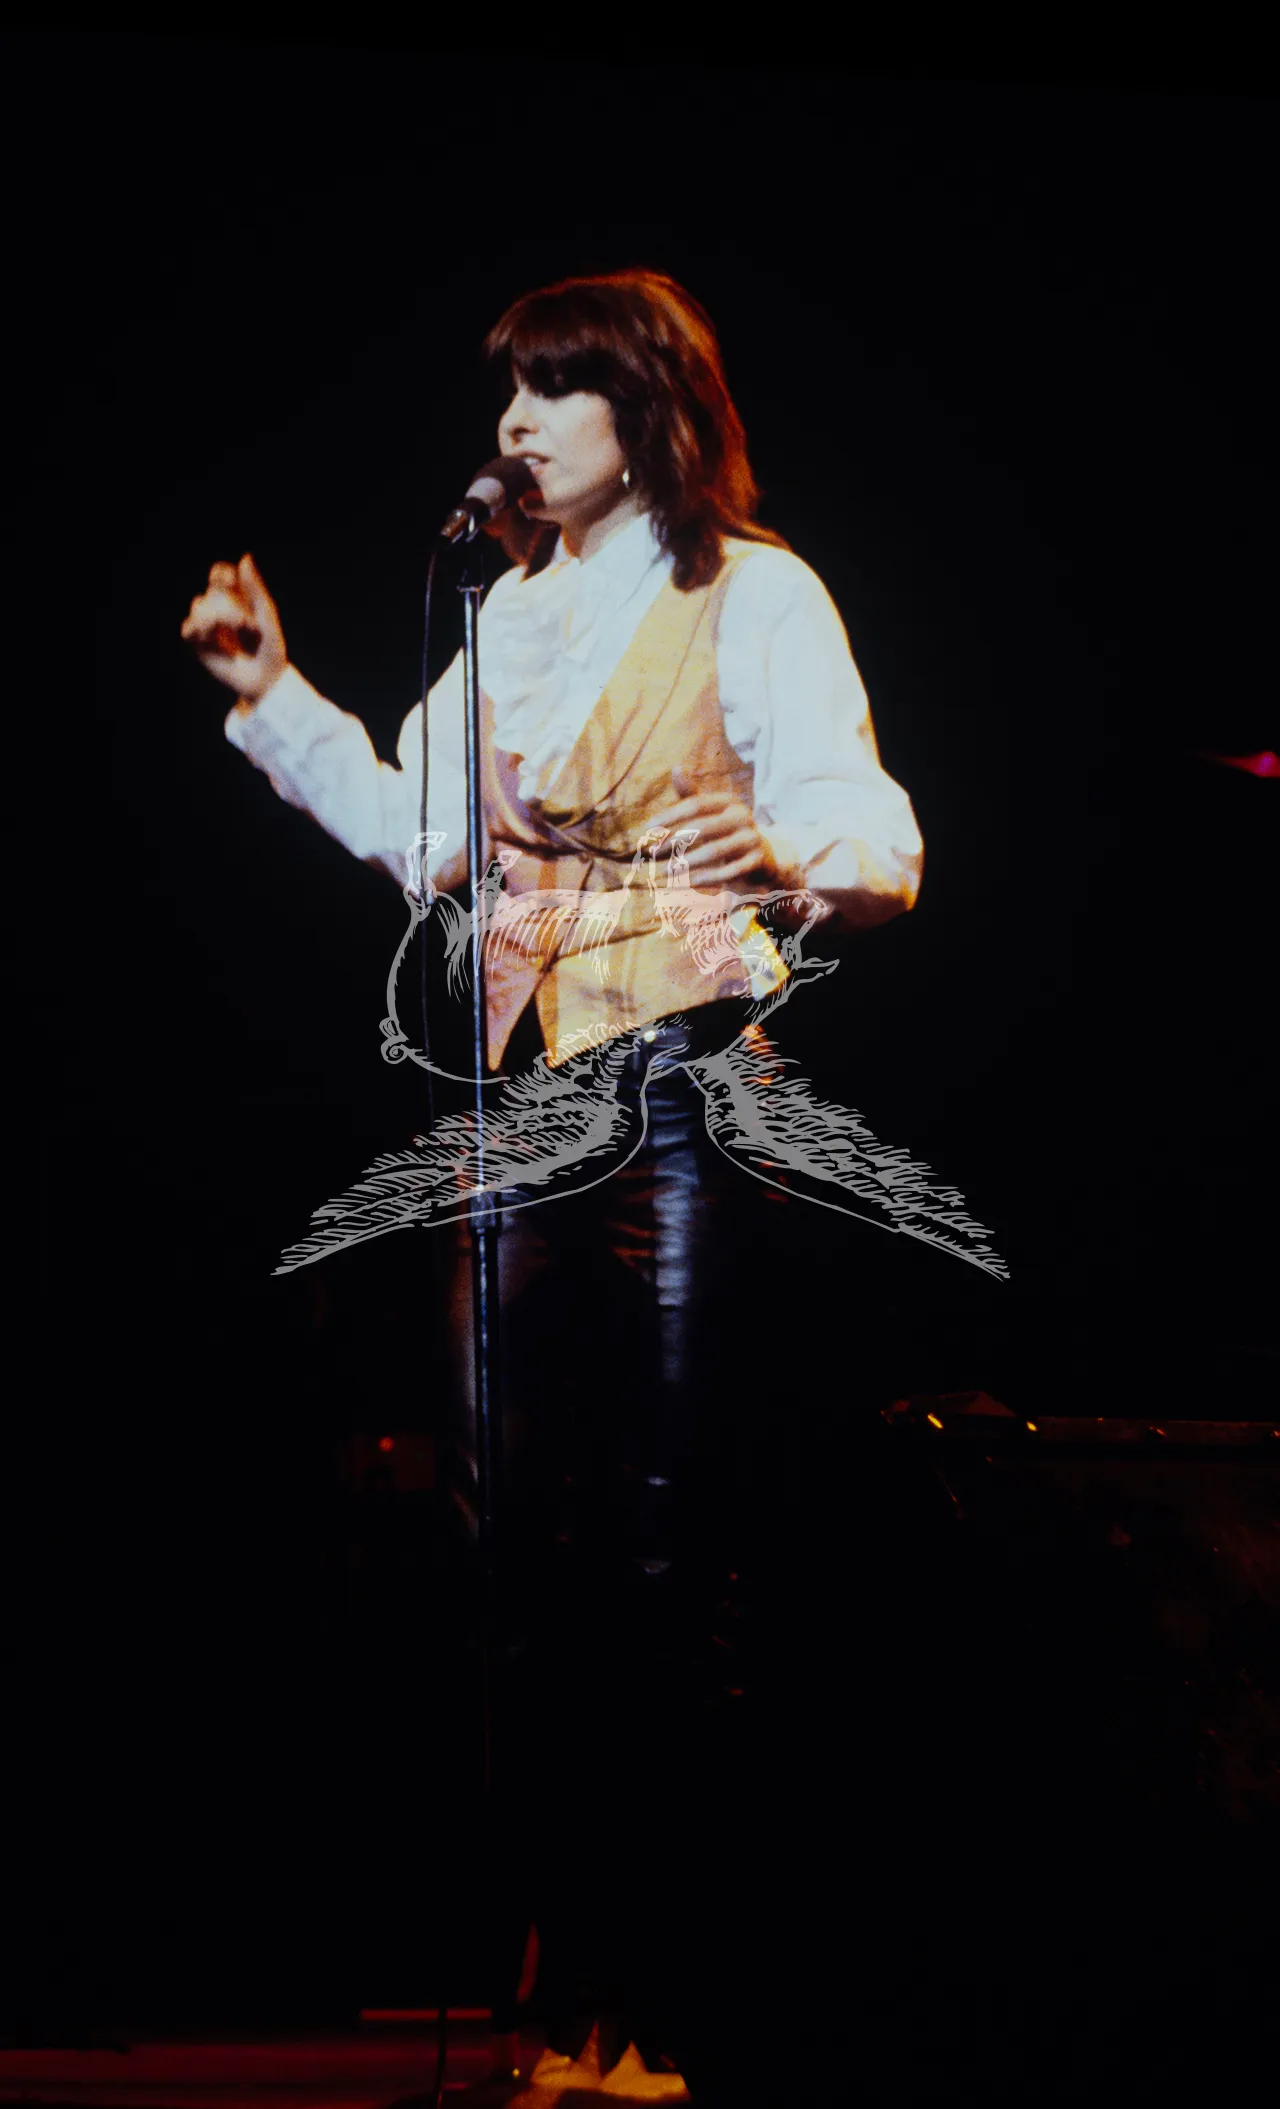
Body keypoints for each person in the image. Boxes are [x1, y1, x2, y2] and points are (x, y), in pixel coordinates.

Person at [182, 269, 923, 2104]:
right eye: (506, 392)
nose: (514, 425)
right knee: (503, 1533)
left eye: (553, 390)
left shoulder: (752, 591)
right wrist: (275, 700)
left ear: (643, 407)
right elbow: (421, 839)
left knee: (668, 1545)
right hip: (527, 1105)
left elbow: (878, 835)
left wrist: (794, 852)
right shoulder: (506, 615)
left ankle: (656, 2006)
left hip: (683, 1092)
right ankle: (559, 1977)